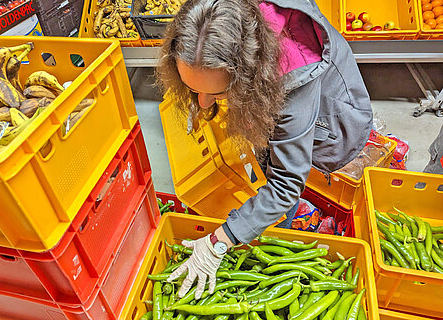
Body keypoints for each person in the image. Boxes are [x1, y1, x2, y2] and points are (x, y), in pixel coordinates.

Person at [157, 0, 373, 299]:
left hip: (327, 112)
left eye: (217, 93)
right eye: (194, 89)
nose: (204, 103)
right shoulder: (219, 15)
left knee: (284, 175)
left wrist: (221, 240)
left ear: (248, 74)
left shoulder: (294, 77)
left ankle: (275, 234)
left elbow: (286, 185)